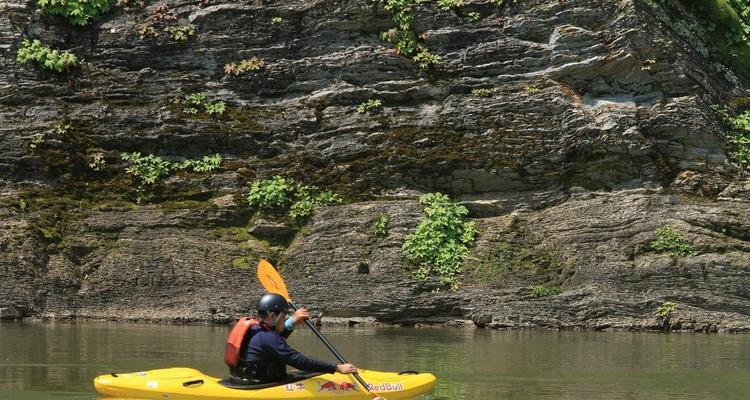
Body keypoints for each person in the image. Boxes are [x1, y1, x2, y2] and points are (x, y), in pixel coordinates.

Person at [244, 293, 358, 383]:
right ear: (273, 315)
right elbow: (300, 361)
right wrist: (337, 368)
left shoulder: (254, 329)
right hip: (264, 385)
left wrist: (292, 323)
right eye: (284, 318)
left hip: (243, 381)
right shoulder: (268, 338)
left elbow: (274, 338)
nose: (285, 321)